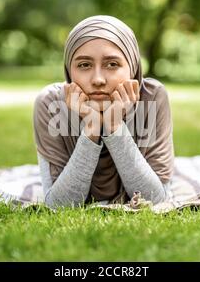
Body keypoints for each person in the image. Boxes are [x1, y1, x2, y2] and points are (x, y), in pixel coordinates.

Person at [33, 15, 174, 208]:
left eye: (112, 64)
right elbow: (59, 205)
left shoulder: (152, 97)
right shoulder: (51, 103)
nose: (98, 79)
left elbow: (156, 199)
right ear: (69, 70)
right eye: (84, 65)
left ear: (132, 68)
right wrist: (91, 128)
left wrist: (115, 126)